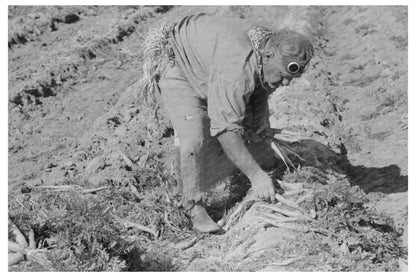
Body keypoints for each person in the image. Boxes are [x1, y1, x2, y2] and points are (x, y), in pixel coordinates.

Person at [140, 13, 314, 233]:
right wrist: (256, 176)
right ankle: (192, 207)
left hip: (209, 65)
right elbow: (225, 130)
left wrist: (260, 118)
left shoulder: (262, 55)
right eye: (283, 75)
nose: (286, 83)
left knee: (246, 121)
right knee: (194, 139)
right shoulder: (236, 71)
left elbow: (259, 86)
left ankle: (254, 168)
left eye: (291, 78)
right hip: (178, 67)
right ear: (268, 55)